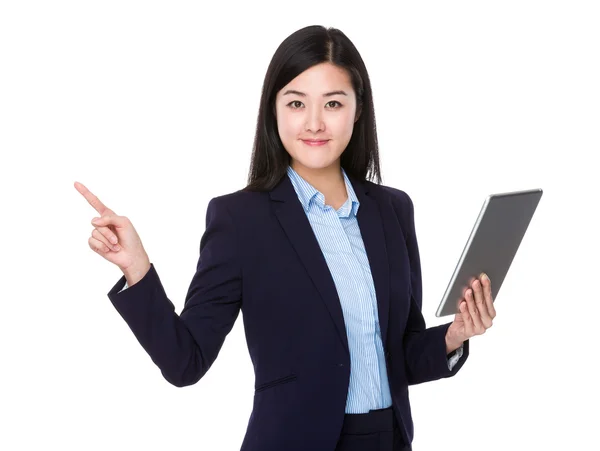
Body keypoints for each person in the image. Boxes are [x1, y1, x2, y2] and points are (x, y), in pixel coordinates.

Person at [75, 25, 496, 451]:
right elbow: (186, 362)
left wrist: (454, 335)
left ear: (358, 109)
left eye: (333, 103)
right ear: (274, 111)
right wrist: (137, 270)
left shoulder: (392, 210)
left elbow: (399, 353)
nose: (314, 122)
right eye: (296, 103)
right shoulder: (241, 220)